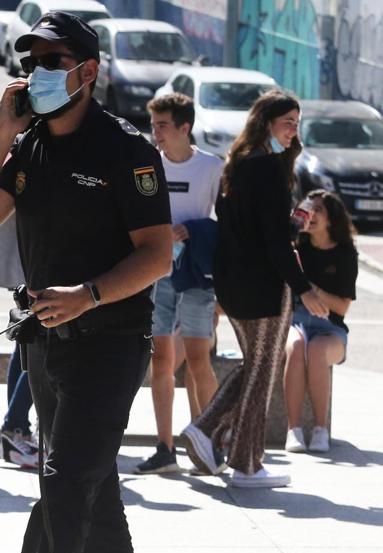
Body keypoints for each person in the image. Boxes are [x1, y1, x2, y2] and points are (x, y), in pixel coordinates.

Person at [0, 13, 173, 553]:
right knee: (92, 492)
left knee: (63, 492)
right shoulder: (32, 145)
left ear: (87, 70)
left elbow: (157, 255)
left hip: (107, 345)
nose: (40, 70)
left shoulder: (125, 149)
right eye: (34, 58)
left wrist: (90, 294)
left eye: (54, 58)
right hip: (44, 347)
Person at [180, 90, 330, 488]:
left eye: (297, 123)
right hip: (262, 285)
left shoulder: (240, 162)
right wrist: (304, 289)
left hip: (234, 281)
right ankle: (240, 458)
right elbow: (273, 243)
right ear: (266, 121)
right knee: (262, 368)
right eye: (287, 122)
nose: (293, 130)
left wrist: (290, 222)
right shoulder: (266, 168)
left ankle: (227, 444)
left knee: (257, 366)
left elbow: (252, 228)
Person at [135, 93, 223, 474]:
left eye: (163, 125)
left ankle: (210, 443)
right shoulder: (148, 165)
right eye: (153, 125)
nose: (155, 133)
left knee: (200, 360)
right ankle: (164, 447)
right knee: (160, 361)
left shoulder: (212, 167)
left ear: (185, 127)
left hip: (198, 274)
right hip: (157, 272)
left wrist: (196, 232)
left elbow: (228, 225)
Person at [284, 189, 357, 453]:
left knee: (316, 350)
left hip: (331, 328)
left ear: (331, 219)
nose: (311, 215)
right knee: (296, 349)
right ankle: (293, 430)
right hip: (296, 322)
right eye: (308, 208)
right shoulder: (296, 246)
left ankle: (319, 429)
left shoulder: (346, 253)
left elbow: (341, 307)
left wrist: (310, 289)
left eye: (319, 210)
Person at [0, 216, 40, 469]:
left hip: (29, 250)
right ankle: (13, 428)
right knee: (39, 343)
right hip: (43, 252)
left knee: (27, 341)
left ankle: (15, 429)